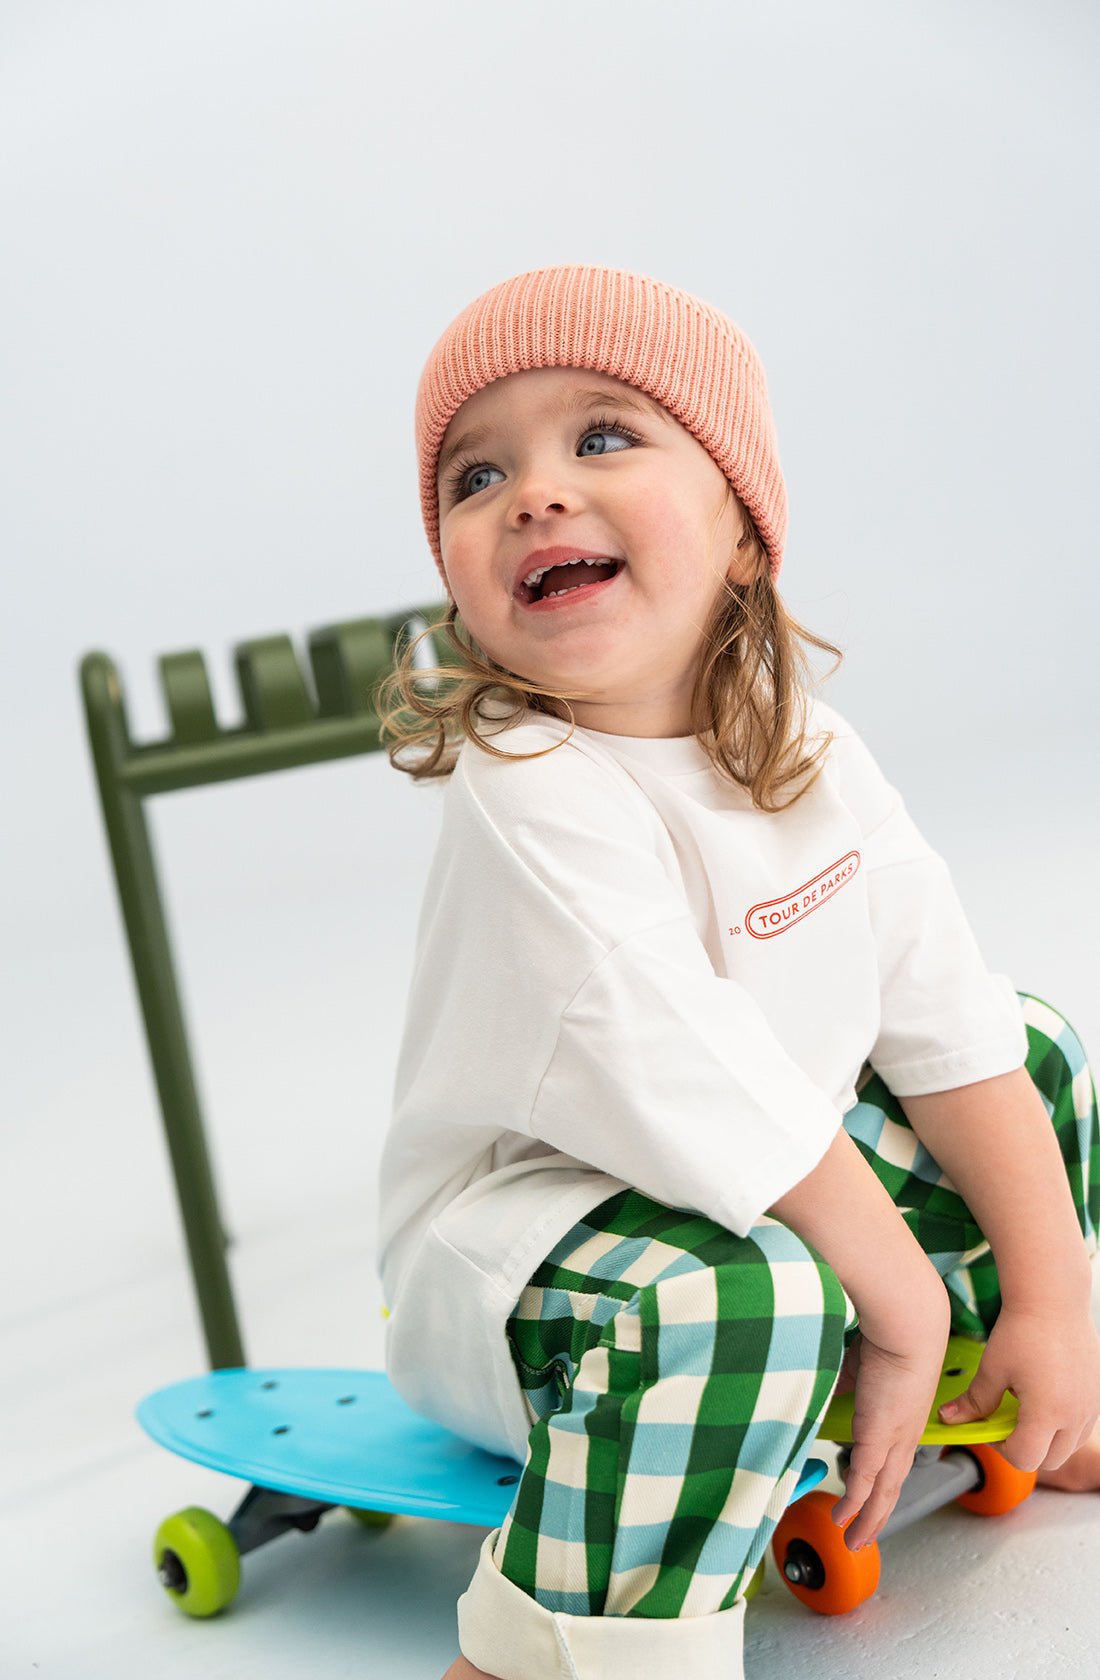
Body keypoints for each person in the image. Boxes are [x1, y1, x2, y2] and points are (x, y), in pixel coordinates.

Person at [376, 265, 1100, 1680]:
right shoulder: (523, 775)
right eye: (476, 474)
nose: (533, 491)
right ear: (464, 586)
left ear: (746, 532)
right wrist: (896, 1300)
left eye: (601, 438)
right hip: (546, 1262)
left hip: (766, 1193)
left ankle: (1027, 1384)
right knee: (739, 1289)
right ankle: (547, 1654)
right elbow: (690, 1066)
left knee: (1037, 1048)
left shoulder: (812, 755)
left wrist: (1053, 1299)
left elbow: (951, 1031)